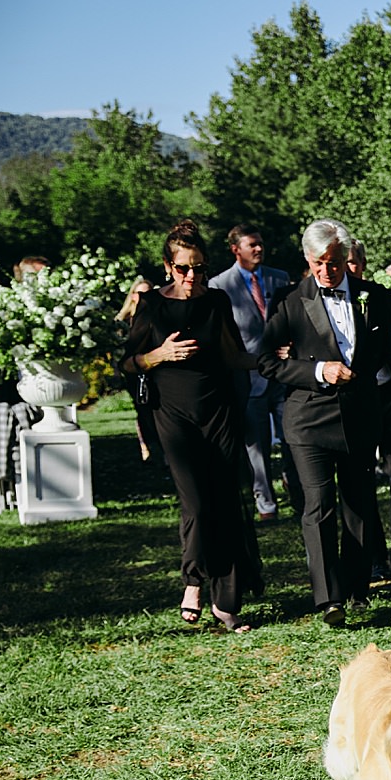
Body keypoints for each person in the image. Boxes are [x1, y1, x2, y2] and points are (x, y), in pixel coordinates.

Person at [259, 219, 391, 626]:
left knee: (358, 504)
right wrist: (319, 370)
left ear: (347, 257)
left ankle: (357, 589)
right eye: (320, 263)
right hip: (308, 419)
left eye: (336, 261)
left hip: (360, 416)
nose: (329, 270)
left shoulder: (373, 297)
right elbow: (266, 359)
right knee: (318, 504)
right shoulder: (290, 301)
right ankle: (329, 600)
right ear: (308, 261)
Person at [120, 220, 264, 632]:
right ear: (168, 267)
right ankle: (193, 581)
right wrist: (158, 354)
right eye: (183, 268)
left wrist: (276, 358)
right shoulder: (151, 305)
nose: (191, 276)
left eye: (199, 268)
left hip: (218, 410)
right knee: (196, 502)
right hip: (173, 413)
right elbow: (127, 363)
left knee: (224, 500)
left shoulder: (216, 301)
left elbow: (234, 355)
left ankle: (225, 602)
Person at [209, 223, 295, 520]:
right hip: (248, 376)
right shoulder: (219, 285)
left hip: (284, 373)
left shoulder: (280, 278)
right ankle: (266, 504)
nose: (259, 248)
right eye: (252, 245)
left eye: (260, 243)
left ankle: (296, 489)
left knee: (292, 437)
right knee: (255, 446)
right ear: (236, 250)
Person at [346, 239, 391, 579]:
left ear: (362, 263)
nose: (348, 270)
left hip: (388, 392)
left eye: (352, 262)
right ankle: (375, 556)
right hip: (352, 399)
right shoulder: (323, 301)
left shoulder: (382, 296)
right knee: (362, 478)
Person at [114, 276, 161, 464]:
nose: (144, 297)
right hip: (133, 371)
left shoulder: (157, 315)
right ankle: (147, 446)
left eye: (147, 293)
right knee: (142, 409)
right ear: (133, 296)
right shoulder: (123, 321)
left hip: (153, 369)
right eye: (140, 293)